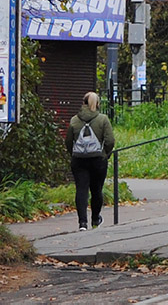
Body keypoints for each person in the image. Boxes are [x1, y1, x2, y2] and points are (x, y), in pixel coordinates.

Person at [66, 91, 115, 231]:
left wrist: (74, 154)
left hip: (79, 160)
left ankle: (82, 223)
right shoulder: (103, 119)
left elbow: (68, 141)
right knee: (96, 189)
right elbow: (110, 140)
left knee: (81, 189)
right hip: (98, 160)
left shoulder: (74, 120)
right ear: (97, 103)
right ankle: (95, 219)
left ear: (83, 103)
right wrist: (105, 153)